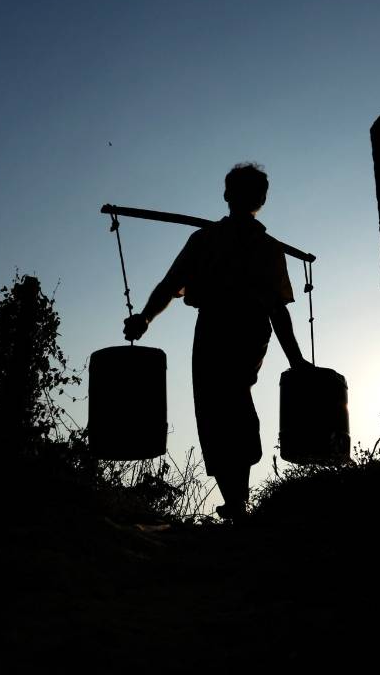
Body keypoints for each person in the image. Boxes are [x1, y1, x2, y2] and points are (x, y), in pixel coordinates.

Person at [122, 162, 312, 521]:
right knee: (217, 408)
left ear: (258, 199)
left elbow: (276, 308)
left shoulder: (262, 247)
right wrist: (145, 317)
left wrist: (296, 360)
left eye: (252, 192)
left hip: (243, 328)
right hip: (217, 324)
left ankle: (237, 501)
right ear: (232, 196)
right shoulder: (208, 241)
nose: (248, 198)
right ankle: (236, 500)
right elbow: (171, 285)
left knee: (229, 402)